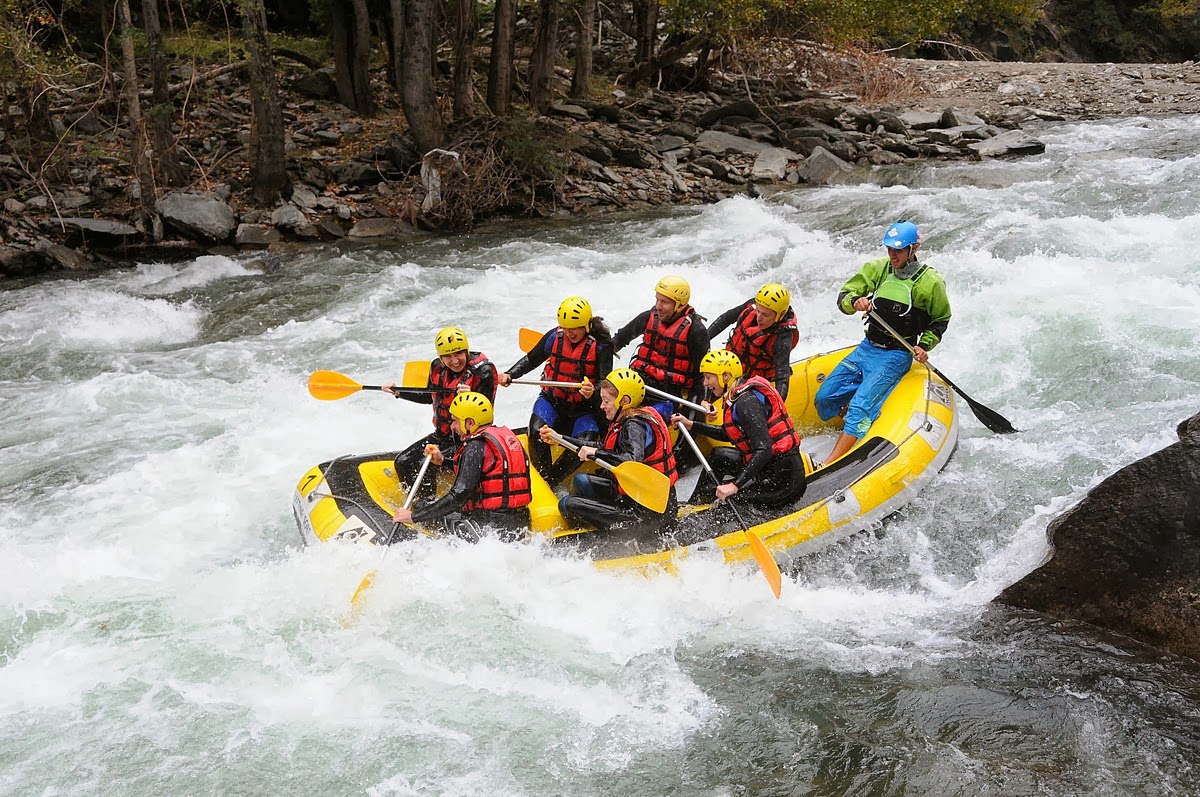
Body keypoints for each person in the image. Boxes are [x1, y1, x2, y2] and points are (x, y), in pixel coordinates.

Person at [815, 220, 952, 464]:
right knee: (824, 398)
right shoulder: (878, 269)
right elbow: (845, 297)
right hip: (867, 348)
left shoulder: (930, 283)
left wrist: (926, 344)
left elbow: (940, 320)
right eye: (889, 249)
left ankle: (829, 463)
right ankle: (859, 416)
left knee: (859, 409)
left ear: (913, 249)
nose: (892, 255)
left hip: (897, 354)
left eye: (898, 250)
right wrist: (854, 302)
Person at [546, 368, 679, 535]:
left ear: (624, 401)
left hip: (647, 514)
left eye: (606, 401)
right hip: (634, 496)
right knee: (581, 481)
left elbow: (632, 460)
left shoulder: (634, 426)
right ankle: (598, 519)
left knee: (566, 503)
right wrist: (559, 438)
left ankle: (601, 538)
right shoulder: (631, 415)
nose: (602, 406)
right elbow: (603, 447)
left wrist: (596, 453)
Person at [498, 296, 614, 486]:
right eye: (566, 327)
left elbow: (605, 384)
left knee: (584, 442)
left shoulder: (601, 347)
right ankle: (543, 477)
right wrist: (510, 374)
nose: (570, 332)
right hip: (553, 400)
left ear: (586, 325)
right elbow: (531, 359)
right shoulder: (555, 337)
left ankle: (552, 480)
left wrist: (593, 391)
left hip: (583, 408)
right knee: (536, 431)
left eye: (574, 328)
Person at [672, 350, 807, 508]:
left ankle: (715, 512)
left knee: (728, 502)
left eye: (708, 377)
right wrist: (692, 425)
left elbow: (764, 449)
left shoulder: (746, 403)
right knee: (719, 455)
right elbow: (729, 433)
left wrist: (734, 485)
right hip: (766, 468)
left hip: (783, 480)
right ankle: (695, 505)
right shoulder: (735, 397)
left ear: (726, 376)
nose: (705, 383)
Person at [393, 392, 532, 540]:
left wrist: (414, 516)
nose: (452, 427)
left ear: (470, 423)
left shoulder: (475, 446)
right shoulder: (506, 438)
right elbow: (485, 471)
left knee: (422, 506)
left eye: (455, 421)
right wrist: (442, 461)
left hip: (486, 527)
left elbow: (458, 496)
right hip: (520, 523)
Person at [382, 325, 498, 485]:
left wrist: (470, 396)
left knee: (427, 464)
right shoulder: (437, 368)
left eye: (458, 353)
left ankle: (426, 506)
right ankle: (417, 501)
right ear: (441, 358)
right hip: (443, 435)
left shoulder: (483, 371)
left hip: (470, 439)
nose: (455, 360)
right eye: (448, 356)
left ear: (466, 351)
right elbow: (429, 397)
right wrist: (399, 392)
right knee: (403, 461)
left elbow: (485, 413)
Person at [612, 275, 710, 419]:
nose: (658, 306)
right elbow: (617, 341)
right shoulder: (649, 317)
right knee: (609, 405)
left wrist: (697, 408)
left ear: (679, 305)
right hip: (639, 384)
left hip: (669, 395)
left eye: (664, 302)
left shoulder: (696, 331)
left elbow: (702, 376)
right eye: (657, 299)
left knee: (642, 419)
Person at [707, 282, 799, 399]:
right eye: (758, 311)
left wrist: (777, 408)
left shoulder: (782, 338)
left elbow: (782, 377)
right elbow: (725, 319)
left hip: (751, 383)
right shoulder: (752, 306)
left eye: (765, 314)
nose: (759, 317)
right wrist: (704, 339)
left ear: (780, 315)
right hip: (729, 368)